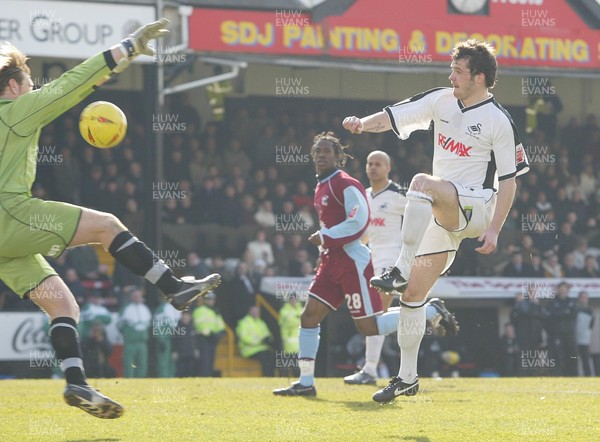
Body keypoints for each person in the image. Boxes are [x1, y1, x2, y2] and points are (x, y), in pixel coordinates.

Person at [0, 19, 221, 418]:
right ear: (13, 87)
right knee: (106, 225)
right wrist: (126, 49)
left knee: (63, 306)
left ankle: (76, 384)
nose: (33, 87)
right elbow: (67, 87)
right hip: (9, 216)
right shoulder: (15, 111)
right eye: (29, 81)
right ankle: (174, 288)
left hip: (5, 238)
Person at [343, 39, 529, 402]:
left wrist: (494, 229)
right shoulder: (441, 100)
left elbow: (509, 180)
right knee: (413, 296)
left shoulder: (499, 120)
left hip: (477, 207)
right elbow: (398, 114)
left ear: (479, 77)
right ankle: (407, 378)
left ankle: (398, 267)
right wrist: (362, 125)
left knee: (420, 182)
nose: (451, 76)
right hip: (443, 213)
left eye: (458, 71)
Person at [273, 132, 405, 397]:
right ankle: (306, 382)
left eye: (326, 151)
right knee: (309, 316)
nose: (321, 155)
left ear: (338, 156)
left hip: (352, 262)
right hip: (331, 262)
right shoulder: (322, 184)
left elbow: (360, 221)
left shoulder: (345, 183)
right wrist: (324, 250)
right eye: (317, 151)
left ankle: (425, 313)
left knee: (368, 327)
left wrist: (326, 237)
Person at [343, 151, 459, 385]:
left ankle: (370, 370)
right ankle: (430, 311)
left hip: (393, 262)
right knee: (380, 314)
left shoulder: (399, 195)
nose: (373, 167)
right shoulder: (364, 196)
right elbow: (365, 233)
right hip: (371, 262)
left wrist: (429, 253)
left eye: (378, 164)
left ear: (388, 168)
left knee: (376, 313)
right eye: (370, 163)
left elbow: (424, 217)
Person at [118, 288, 152, 378]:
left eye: (138, 296)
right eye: (135, 296)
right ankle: (129, 381)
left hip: (143, 342)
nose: (137, 298)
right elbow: (120, 325)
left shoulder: (145, 309)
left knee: (142, 364)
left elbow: (149, 324)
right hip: (130, 342)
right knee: (129, 364)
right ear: (131, 297)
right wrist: (128, 333)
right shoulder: (126, 309)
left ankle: (141, 382)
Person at [193, 292, 225, 377]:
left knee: (211, 360)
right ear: (205, 300)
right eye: (209, 299)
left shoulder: (215, 311)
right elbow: (199, 325)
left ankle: (208, 378)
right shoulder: (199, 310)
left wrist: (220, 332)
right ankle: (204, 379)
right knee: (204, 361)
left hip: (213, 339)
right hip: (203, 339)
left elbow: (220, 324)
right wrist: (210, 333)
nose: (211, 301)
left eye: (212, 299)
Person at [236, 305, 275, 376]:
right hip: (248, 350)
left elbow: (268, 334)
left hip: (261, 348)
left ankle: (272, 377)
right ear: (249, 312)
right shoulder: (244, 322)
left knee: (272, 355)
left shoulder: (261, 323)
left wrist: (268, 339)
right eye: (254, 311)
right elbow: (244, 337)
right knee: (265, 357)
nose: (255, 313)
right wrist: (260, 341)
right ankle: (267, 377)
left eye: (257, 311)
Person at [575, 291, 594, 376]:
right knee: (574, 360)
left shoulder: (590, 311)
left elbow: (591, 326)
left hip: (585, 340)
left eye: (585, 297)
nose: (584, 299)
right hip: (575, 339)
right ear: (579, 298)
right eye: (582, 297)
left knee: (586, 360)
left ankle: (588, 377)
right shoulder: (575, 310)